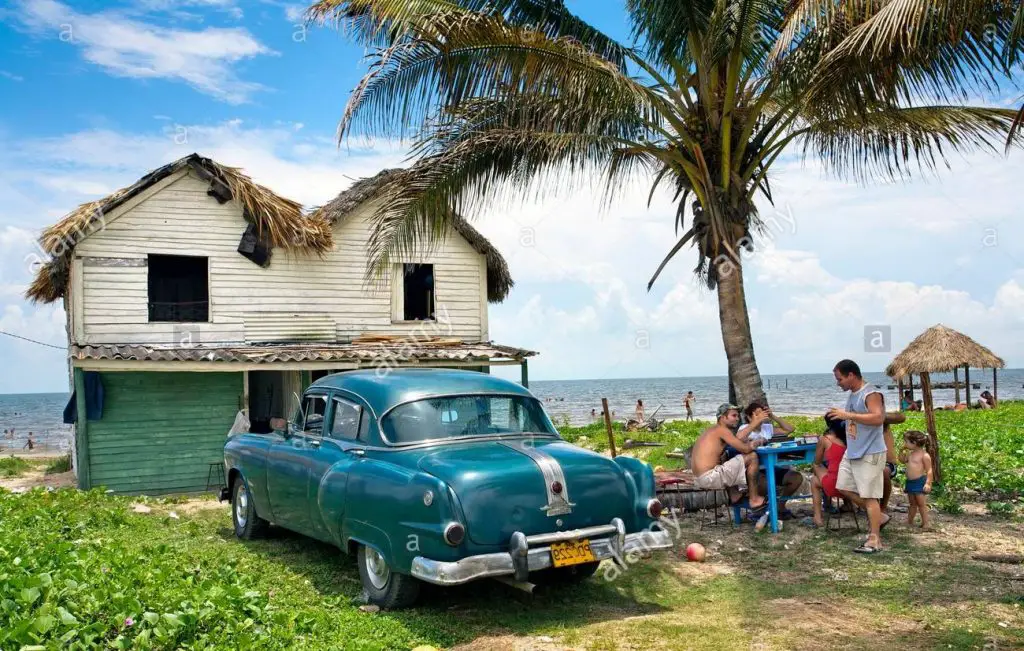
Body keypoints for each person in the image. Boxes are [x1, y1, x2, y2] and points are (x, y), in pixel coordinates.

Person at [827, 359, 891, 553]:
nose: (838, 383)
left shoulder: (870, 393)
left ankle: (874, 540)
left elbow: (878, 417)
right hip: (853, 451)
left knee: (870, 496)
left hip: (870, 452)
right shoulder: (853, 394)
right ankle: (878, 516)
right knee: (843, 487)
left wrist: (848, 416)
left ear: (851, 375)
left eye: (840, 379)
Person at [690, 404, 767, 509]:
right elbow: (746, 449)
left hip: (699, 478)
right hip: (709, 478)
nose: (737, 419)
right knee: (752, 456)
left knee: (726, 456)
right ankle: (754, 499)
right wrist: (758, 441)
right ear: (722, 417)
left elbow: (737, 442)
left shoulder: (712, 430)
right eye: (734, 416)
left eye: (738, 416)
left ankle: (734, 494)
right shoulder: (722, 430)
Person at [738, 402, 802, 518]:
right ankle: (760, 509)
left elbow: (789, 429)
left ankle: (780, 506)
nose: (761, 417)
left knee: (796, 478)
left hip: (770, 467)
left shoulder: (766, 428)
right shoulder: (745, 428)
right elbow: (739, 438)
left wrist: (773, 416)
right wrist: (755, 422)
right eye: (757, 414)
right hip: (755, 470)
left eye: (762, 414)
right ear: (749, 417)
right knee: (767, 483)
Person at [809, 413, 848, 527]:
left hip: (837, 486)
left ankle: (817, 517)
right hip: (854, 486)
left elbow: (817, 461)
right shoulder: (851, 437)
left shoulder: (825, 439)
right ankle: (844, 504)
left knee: (814, 478)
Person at [902, 430, 934, 528]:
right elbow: (902, 460)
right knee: (912, 503)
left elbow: (929, 470)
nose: (904, 444)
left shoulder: (924, 455)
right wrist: (901, 452)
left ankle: (926, 523)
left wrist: (928, 483)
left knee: (921, 503)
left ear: (914, 443)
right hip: (910, 482)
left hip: (919, 481)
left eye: (906, 441)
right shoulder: (910, 453)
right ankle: (909, 521)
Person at [880, 412, 905, 513]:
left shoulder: (882, 420)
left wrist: (879, 415)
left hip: (888, 463)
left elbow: (901, 417)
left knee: (884, 471)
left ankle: (883, 506)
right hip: (868, 460)